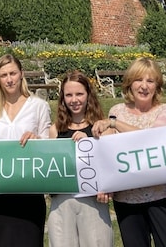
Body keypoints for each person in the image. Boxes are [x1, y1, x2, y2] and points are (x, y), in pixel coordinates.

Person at [92, 57, 166, 247]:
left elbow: (151, 138)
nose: (144, 86)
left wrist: (114, 123)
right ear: (129, 84)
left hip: (163, 198)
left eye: (150, 81)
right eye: (138, 80)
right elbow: (109, 152)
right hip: (127, 202)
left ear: (157, 86)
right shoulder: (117, 110)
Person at [0, 53, 52, 247]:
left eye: (12, 73)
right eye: (4, 75)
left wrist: (38, 140)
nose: (9, 79)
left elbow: (48, 145)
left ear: (22, 74)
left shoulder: (39, 106)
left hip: (28, 191)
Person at [47, 70, 113, 247]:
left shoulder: (102, 128)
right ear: (62, 98)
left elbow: (110, 166)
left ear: (88, 95)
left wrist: (89, 144)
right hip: (61, 203)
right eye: (68, 95)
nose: (74, 100)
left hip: (93, 203)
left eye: (79, 94)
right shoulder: (54, 130)